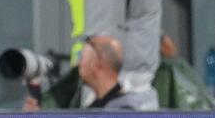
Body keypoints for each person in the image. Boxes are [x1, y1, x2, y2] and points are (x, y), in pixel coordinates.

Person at [24, 35, 158, 111]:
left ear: (97, 64)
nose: (78, 65)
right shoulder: (98, 107)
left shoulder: (123, 111)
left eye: (82, 58)